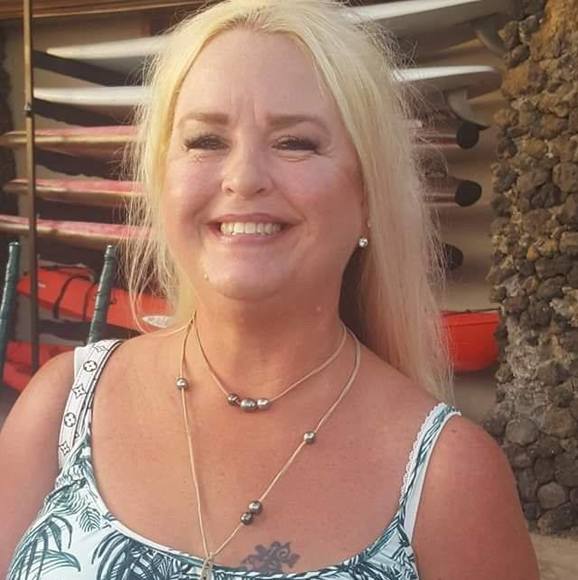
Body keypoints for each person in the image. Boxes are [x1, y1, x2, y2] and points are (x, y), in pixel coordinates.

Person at [1, 1, 540, 578]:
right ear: (162, 180)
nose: (243, 178)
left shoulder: (449, 476)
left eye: (296, 142)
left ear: (367, 194)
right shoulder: (61, 406)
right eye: (205, 140)